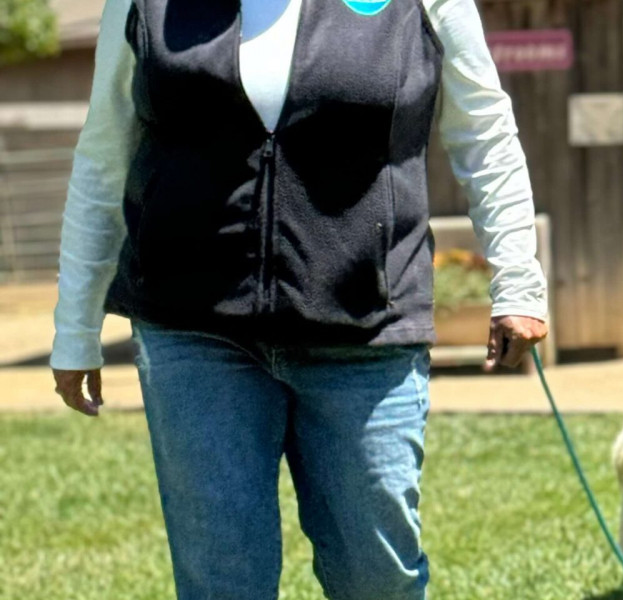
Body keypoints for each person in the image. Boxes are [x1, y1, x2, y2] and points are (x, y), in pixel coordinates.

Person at [49, 0, 549, 597]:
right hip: (193, 331)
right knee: (221, 582)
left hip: (366, 328)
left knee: (375, 578)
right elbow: (104, 157)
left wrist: (517, 281)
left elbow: (485, 135)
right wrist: (75, 328)